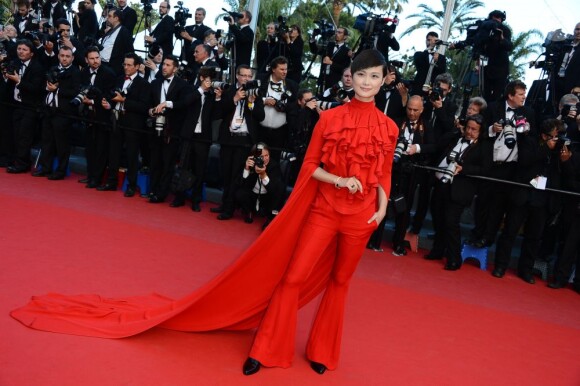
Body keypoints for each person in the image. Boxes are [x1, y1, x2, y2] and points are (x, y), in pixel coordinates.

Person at [10, 49, 398, 376]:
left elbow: (383, 174)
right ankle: (266, 349)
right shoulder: (329, 119)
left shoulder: (389, 127)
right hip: (326, 210)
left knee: (340, 282)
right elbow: (309, 166)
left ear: (385, 79)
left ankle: (322, 353)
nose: (366, 82)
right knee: (294, 277)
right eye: (360, 75)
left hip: (360, 218)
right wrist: (338, 181)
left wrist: (379, 212)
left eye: (373, 76)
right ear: (352, 78)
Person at [492, 119, 570, 283]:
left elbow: (560, 173)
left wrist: (562, 159)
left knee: (534, 237)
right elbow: (524, 161)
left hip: (542, 199)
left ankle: (525, 270)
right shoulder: (529, 141)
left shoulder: (559, 149)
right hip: (522, 194)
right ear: (544, 135)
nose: (557, 140)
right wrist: (546, 150)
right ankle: (500, 266)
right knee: (510, 232)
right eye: (554, 137)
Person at [428, 114, 492, 270]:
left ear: (481, 131)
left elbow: (486, 169)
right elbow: (439, 145)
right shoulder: (457, 137)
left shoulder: (484, 146)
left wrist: (464, 170)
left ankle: (454, 259)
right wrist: (457, 131)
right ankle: (438, 250)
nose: (469, 132)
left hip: (461, 189)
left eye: (474, 130)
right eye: (468, 128)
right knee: (438, 218)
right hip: (442, 184)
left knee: (451, 222)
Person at [212, 65, 265, 220]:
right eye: (243, 75)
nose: (246, 79)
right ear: (237, 76)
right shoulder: (228, 91)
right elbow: (218, 113)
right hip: (228, 138)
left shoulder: (255, 93)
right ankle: (224, 203)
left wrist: (251, 103)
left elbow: (260, 116)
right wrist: (234, 99)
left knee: (236, 175)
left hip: (244, 140)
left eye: (249, 76)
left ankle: (229, 209)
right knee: (225, 173)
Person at [99, 53, 150, 196]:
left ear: (137, 67)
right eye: (124, 64)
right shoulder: (119, 78)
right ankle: (111, 182)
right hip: (116, 120)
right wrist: (108, 104)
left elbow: (144, 107)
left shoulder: (144, 84)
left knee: (132, 156)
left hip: (133, 125)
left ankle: (132, 186)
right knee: (113, 153)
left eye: (129, 65)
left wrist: (124, 101)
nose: (126, 67)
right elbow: (113, 97)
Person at [33, 45, 81, 180]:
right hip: (48, 110)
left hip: (64, 113)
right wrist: (48, 87)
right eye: (62, 55)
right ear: (58, 56)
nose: (64, 58)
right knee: (46, 141)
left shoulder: (76, 72)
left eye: (67, 56)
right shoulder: (53, 68)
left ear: (72, 58)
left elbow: (76, 91)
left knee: (62, 144)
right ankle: (45, 168)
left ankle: (60, 171)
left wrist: (57, 90)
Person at [78, 46, 116, 189]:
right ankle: (90, 175)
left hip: (103, 117)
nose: (95, 61)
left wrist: (93, 101)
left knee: (101, 149)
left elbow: (109, 95)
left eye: (97, 58)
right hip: (88, 116)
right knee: (89, 147)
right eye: (92, 59)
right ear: (87, 60)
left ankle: (97, 178)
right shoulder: (84, 72)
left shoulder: (108, 73)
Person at [5, 39, 45, 174]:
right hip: (15, 104)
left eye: (24, 49)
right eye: (19, 49)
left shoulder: (37, 68)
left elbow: (35, 89)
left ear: (31, 53)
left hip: (30, 107)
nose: (20, 52)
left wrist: (19, 81)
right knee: (15, 134)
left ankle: (23, 164)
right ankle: (17, 160)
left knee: (24, 135)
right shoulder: (15, 63)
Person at [234, 143, 285, 229]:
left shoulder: (274, 166)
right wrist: (246, 169)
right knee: (239, 193)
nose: (265, 159)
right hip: (253, 194)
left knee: (279, 190)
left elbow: (275, 190)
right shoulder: (250, 163)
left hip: (267, 196)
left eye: (267, 155)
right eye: (261, 156)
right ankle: (249, 211)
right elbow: (240, 183)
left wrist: (263, 175)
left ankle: (271, 218)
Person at [480, 10, 513, 103]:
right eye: (495, 18)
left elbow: (509, 46)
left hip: (501, 67)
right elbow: (480, 44)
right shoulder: (485, 28)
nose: (497, 20)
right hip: (487, 66)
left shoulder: (505, 30)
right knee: (485, 93)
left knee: (497, 95)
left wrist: (501, 37)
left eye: (499, 18)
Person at [99, 8, 134, 76]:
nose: (107, 18)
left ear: (116, 18)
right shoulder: (109, 31)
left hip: (114, 69)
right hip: (103, 65)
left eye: (109, 16)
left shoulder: (124, 32)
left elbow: (130, 51)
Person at [412, 31, 446, 96]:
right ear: (426, 41)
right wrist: (429, 48)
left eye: (434, 40)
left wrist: (436, 61)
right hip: (418, 88)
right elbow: (419, 64)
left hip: (432, 89)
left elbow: (442, 72)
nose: (430, 42)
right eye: (429, 40)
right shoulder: (419, 54)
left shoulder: (441, 57)